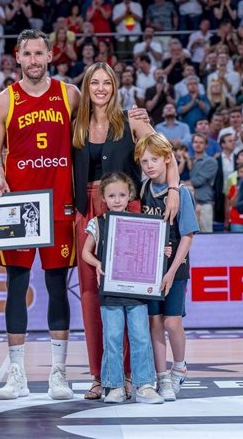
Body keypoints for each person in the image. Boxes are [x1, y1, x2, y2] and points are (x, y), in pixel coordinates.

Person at [72, 61, 180, 401]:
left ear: (115, 86)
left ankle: (134, 376)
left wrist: (174, 189)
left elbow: (166, 155)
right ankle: (100, 376)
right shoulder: (76, 125)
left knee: (133, 295)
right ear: (87, 87)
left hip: (126, 210)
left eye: (107, 82)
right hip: (87, 211)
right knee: (91, 295)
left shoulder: (133, 120)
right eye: (95, 83)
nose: (101, 88)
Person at [0, 29, 81, 401]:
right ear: (18, 57)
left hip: (60, 203)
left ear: (50, 55)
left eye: (40, 53)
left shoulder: (69, 95)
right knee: (16, 286)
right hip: (19, 206)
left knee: (58, 287)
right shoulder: (2, 101)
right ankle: (17, 375)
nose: (34, 60)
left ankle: (58, 374)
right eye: (28, 54)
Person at [81, 172, 164, 404]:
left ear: (130, 196)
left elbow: (153, 249)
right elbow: (85, 252)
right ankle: (113, 386)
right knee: (113, 338)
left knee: (140, 337)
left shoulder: (141, 222)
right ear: (103, 198)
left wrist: (161, 253)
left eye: (121, 195)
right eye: (111, 195)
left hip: (137, 291)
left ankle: (145, 385)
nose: (116, 200)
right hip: (110, 291)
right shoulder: (97, 223)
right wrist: (98, 264)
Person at [135, 133, 199, 401]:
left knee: (172, 322)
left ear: (167, 160)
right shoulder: (142, 190)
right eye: (144, 160)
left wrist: (172, 271)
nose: (149, 165)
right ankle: (162, 379)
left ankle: (179, 367)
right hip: (150, 268)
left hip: (176, 268)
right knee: (155, 322)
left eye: (154, 159)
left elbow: (187, 235)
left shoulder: (181, 192)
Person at [189, 133, 217, 232]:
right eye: (195, 142)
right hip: (189, 205)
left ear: (206, 145)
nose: (198, 144)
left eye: (201, 142)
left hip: (204, 203)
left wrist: (182, 183)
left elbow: (197, 182)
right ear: (192, 144)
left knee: (207, 236)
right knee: (189, 237)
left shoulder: (211, 161)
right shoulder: (189, 160)